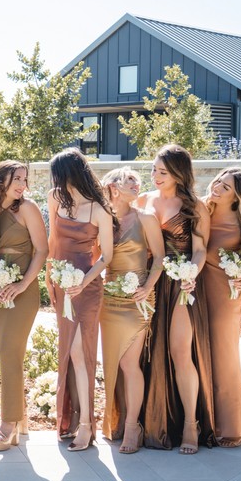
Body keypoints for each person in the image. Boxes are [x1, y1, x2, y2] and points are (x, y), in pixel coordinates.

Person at [138, 144, 215, 454]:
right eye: (154, 169)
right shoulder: (144, 199)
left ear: (179, 174)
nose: (156, 176)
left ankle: (190, 424)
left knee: (180, 352)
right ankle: (149, 421)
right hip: (149, 283)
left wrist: (191, 274)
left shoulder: (194, 206)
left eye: (163, 172)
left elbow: (199, 250)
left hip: (182, 286)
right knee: (146, 351)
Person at [46, 148, 114, 452]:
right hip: (61, 284)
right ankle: (70, 420)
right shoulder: (54, 198)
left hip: (86, 288)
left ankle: (87, 425)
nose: (54, 180)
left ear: (69, 173)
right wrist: (53, 281)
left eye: (57, 174)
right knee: (68, 353)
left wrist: (81, 282)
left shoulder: (99, 209)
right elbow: (51, 243)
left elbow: (106, 258)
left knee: (82, 353)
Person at [98, 167, 164, 453]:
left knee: (129, 363)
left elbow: (160, 257)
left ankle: (133, 425)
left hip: (138, 297)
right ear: (113, 187)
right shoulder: (104, 219)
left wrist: (148, 287)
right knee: (112, 364)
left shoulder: (146, 218)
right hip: (109, 298)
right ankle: (118, 419)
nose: (136, 185)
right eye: (129, 181)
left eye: (138, 180)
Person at [199, 167, 241, 446]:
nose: (217, 187)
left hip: (226, 297)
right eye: (218, 181)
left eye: (226, 187)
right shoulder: (202, 209)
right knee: (198, 354)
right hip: (195, 291)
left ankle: (234, 426)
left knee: (224, 358)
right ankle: (204, 422)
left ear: (239, 198)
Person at [0, 160, 48, 451]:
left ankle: (8, 424)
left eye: (25, 179)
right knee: (6, 353)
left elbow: (42, 250)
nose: (23, 185)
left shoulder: (28, 208)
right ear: (2, 181)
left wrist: (21, 285)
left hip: (23, 290)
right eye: (17, 179)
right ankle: (20, 419)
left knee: (10, 353)